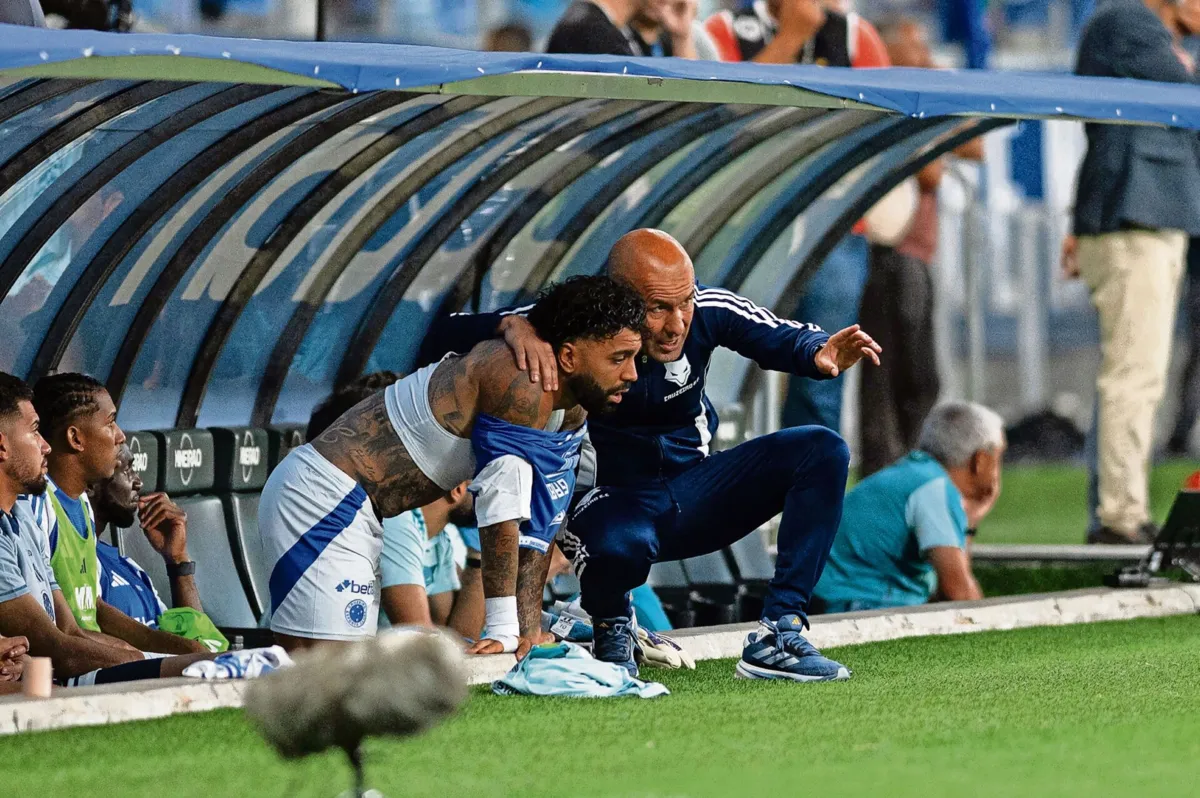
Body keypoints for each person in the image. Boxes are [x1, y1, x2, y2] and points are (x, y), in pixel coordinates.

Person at [422, 228, 880, 681]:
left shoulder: (705, 311)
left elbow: (776, 334)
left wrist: (816, 351)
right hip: (610, 511)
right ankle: (610, 626)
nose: (677, 323)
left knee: (821, 449)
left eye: (685, 302)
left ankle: (779, 634)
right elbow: (441, 333)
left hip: (695, 492)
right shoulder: (575, 320)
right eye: (658, 307)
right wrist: (509, 324)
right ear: (619, 299)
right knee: (620, 538)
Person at [260, 276, 645, 658]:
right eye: (618, 358)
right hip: (324, 495)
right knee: (316, 667)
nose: (632, 374)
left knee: (319, 667)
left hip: (362, 509)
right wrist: (503, 630)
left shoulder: (574, 407)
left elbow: (542, 521)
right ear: (568, 357)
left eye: (634, 357)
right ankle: (202, 679)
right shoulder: (520, 378)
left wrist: (529, 632)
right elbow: (502, 495)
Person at [704, 0, 890, 437]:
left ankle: (807, 486)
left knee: (824, 374)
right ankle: (723, 478)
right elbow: (725, 118)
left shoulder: (855, 36)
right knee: (725, 368)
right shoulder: (722, 30)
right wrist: (790, 37)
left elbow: (885, 126)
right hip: (743, 229)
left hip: (834, 231)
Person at [1061, 0, 1200, 544]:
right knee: (1133, 376)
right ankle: (1121, 518)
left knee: (1135, 374)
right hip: (1132, 218)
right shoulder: (1127, 22)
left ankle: (1117, 511)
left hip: (1146, 219)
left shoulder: (1155, 37)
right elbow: (1177, 80)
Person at [0, 372, 218, 685]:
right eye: (111, 422)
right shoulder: (38, 507)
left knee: (207, 667)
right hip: (56, 675)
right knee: (200, 674)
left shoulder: (25, 517)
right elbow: (55, 646)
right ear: (76, 438)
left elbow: (76, 623)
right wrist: (148, 660)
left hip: (60, 667)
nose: (121, 436)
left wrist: (178, 651)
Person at [855, 17, 986, 478]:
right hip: (891, 254)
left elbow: (976, 147)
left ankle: (904, 467)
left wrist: (934, 88)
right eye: (918, 48)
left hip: (915, 254)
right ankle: (894, 469)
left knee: (911, 375)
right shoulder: (889, 104)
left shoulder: (920, 103)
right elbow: (932, 172)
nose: (927, 56)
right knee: (900, 375)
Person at [305, 373, 485, 642]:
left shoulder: (431, 531)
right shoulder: (393, 518)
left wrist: (483, 555)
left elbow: (455, 637)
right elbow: (422, 640)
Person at [814, 402, 1004, 613]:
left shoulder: (916, 474)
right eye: (998, 456)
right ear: (981, 460)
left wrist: (970, 520)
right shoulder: (934, 488)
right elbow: (959, 594)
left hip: (828, 600)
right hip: (855, 605)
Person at [87, 445, 227, 651]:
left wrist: (177, 560)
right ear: (91, 484)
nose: (138, 482)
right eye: (127, 470)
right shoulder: (80, 562)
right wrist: (196, 653)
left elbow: (200, 638)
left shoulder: (130, 568)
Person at [380, 483, 485, 642]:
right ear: (457, 489)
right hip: (354, 662)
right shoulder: (398, 520)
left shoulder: (439, 540)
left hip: (397, 660)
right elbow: (421, 642)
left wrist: (480, 557)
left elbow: (458, 639)